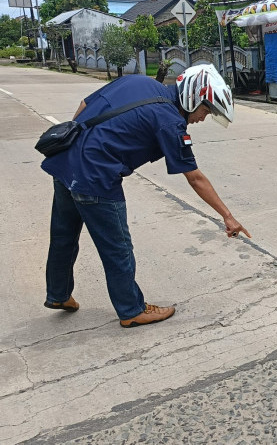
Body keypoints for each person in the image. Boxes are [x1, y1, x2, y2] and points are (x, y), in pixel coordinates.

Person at [41, 64, 251, 328]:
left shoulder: (138, 82)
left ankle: (58, 295)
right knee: (118, 248)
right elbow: (195, 177)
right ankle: (131, 310)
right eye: (206, 110)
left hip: (64, 163)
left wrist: (81, 149)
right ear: (193, 98)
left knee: (63, 235)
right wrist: (228, 217)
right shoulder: (170, 122)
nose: (203, 118)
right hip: (97, 179)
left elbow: (85, 105)